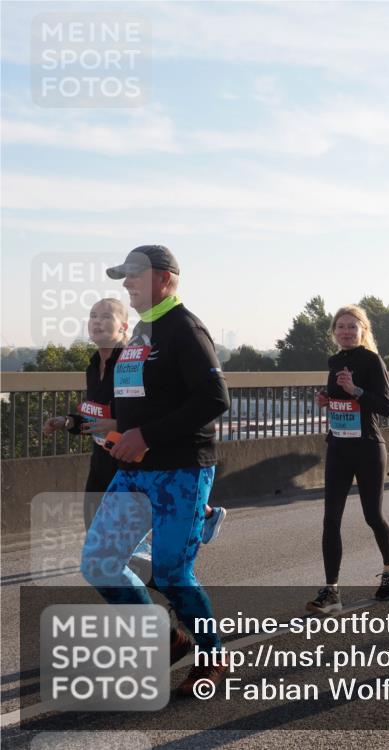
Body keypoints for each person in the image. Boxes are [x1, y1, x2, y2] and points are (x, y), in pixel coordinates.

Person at [79, 245, 231, 696]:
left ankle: (213, 656)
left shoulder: (185, 328)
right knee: (100, 563)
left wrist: (146, 435)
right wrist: (115, 426)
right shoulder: (142, 333)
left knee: (170, 573)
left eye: (134, 276)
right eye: (123, 277)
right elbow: (141, 401)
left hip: (181, 471)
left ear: (164, 279)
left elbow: (213, 400)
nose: (126, 284)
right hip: (135, 469)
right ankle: (166, 638)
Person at [307, 305, 389, 614]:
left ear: (363, 330)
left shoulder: (372, 361)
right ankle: (331, 590)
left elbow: (385, 407)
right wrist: (328, 399)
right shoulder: (336, 361)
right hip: (338, 447)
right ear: (333, 332)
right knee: (330, 519)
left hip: (368, 448)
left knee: (372, 516)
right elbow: (341, 400)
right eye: (341, 327)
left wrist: (355, 389)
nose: (346, 332)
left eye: (352, 327)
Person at [44, 298, 128, 529]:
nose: (97, 322)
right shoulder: (92, 367)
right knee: (95, 529)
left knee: (123, 540)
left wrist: (119, 424)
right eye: (93, 316)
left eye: (106, 316)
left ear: (124, 327)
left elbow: (155, 412)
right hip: (101, 462)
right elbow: (97, 418)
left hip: (131, 465)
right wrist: (69, 421)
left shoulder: (134, 362)